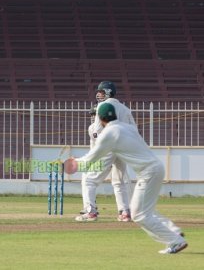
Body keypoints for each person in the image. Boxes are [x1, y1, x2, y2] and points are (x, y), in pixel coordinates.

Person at [67, 102, 187, 254]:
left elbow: (90, 160)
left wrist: (73, 162)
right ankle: (174, 233)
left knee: (139, 215)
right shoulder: (127, 127)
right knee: (143, 210)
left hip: (148, 173)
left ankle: (175, 241)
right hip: (155, 168)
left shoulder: (109, 133)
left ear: (100, 118)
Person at [76, 81, 133, 222]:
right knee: (119, 181)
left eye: (101, 92)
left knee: (89, 179)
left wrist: (92, 132)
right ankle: (124, 213)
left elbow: (96, 131)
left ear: (107, 92)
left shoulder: (102, 106)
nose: (98, 94)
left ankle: (90, 212)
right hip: (123, 147)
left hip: (108, 146)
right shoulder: (125, 109)